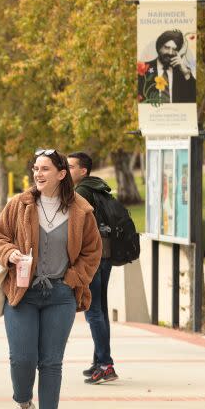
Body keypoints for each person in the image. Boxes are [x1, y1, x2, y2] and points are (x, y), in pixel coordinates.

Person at [0, 148, 101, 409]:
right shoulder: (20, 204)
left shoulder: (81, 210)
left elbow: (92, 252)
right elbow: (0, 237)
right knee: (22, 358)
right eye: (35, 169)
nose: (38, 174)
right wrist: (10, 254)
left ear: (61, 174)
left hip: (59, 294)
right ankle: (22, 405)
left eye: (45, 169)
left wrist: (71, 280)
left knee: (51, 362)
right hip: (22, 292)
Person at [68, 152, 118, 384]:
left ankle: (105, 364)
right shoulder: (98, 187)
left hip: (93, 258)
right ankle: (101, 360)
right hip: (105, 255)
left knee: (93, 310)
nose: (66, 171)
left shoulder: (81, 193)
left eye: (70, 167)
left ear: (83, 171)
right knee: (100, 310)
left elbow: (78, 229)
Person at [137, 29, 196, 103]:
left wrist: (186, 73)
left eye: (174, 49)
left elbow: (193, 99)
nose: (170, 53)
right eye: (167, 48)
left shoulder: (182, 72)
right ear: (159, 48)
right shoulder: (144, 69)